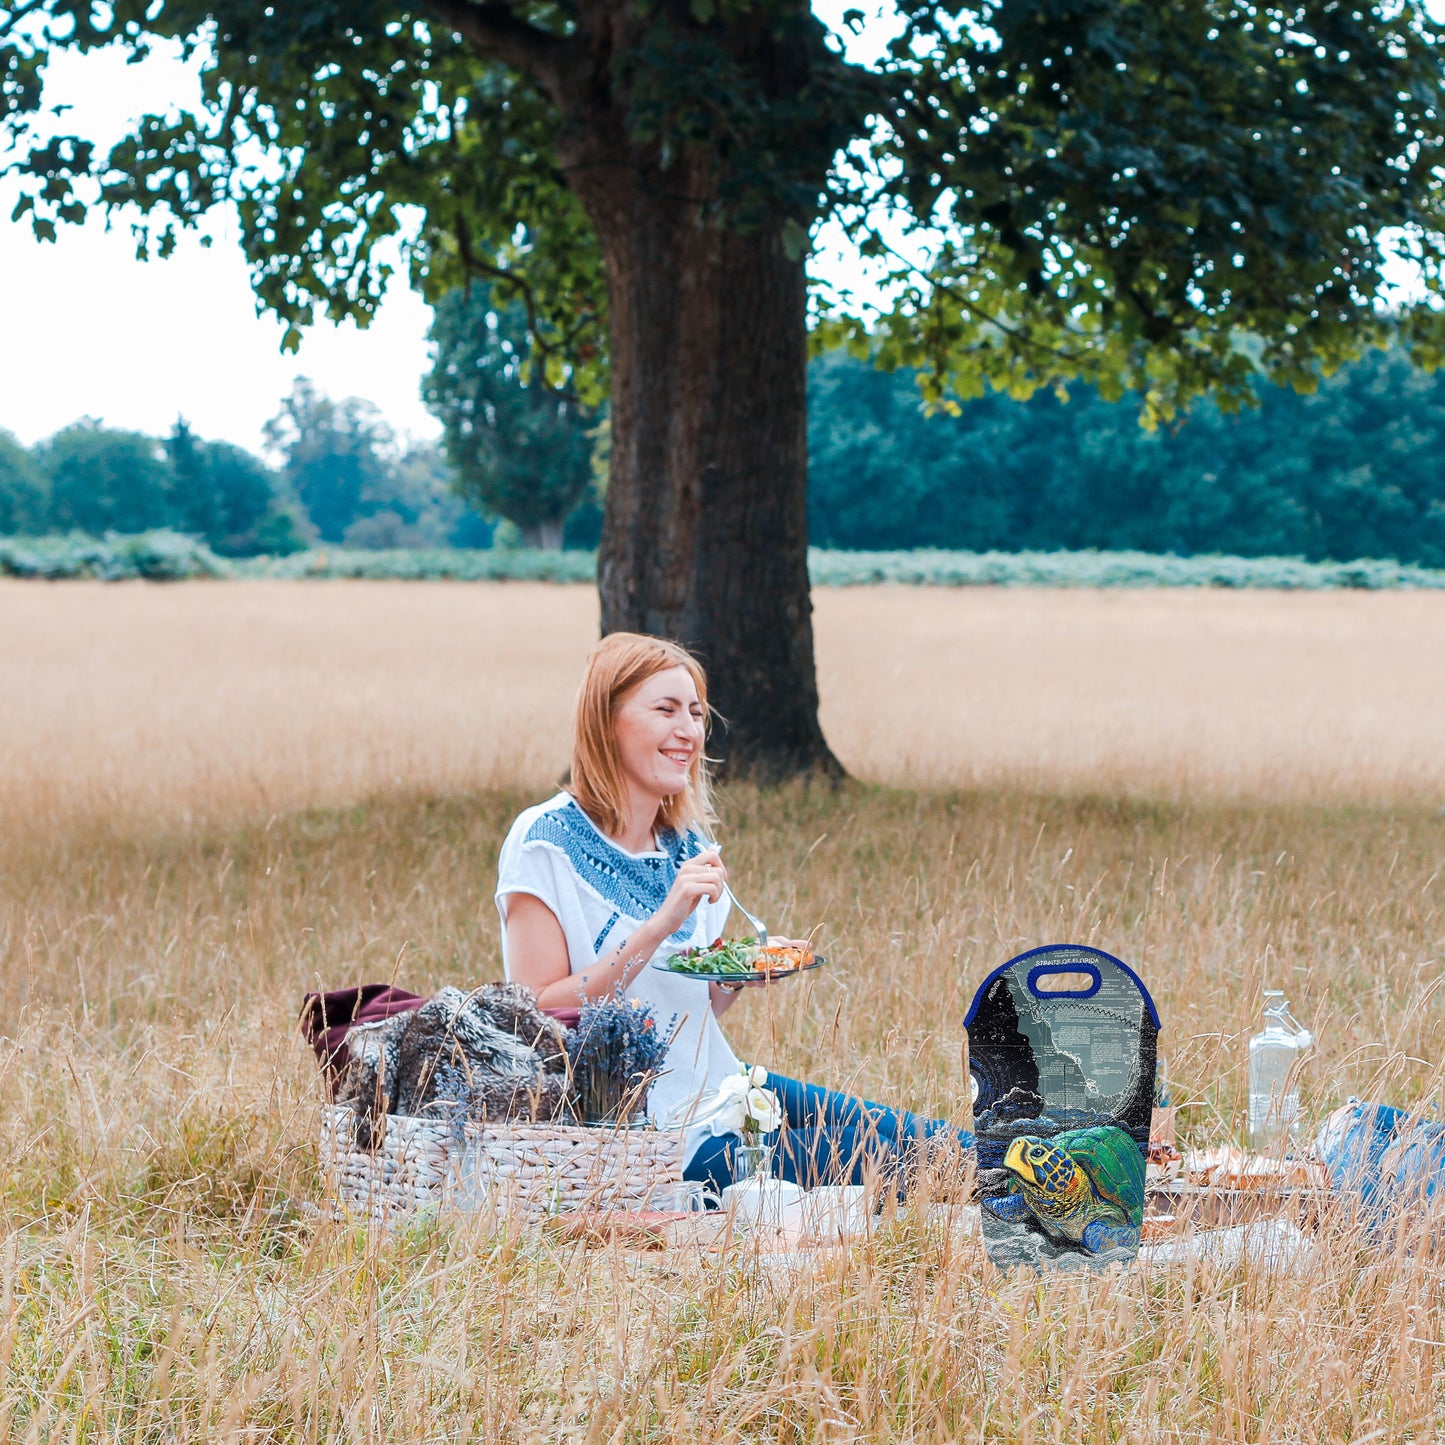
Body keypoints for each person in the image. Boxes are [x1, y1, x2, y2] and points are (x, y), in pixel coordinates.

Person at [497, 631, 972, 1192]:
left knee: (931, 1140)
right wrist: (661, 925)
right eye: (666, 710)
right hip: (645, 1132)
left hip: (721, 1086)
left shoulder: (687, 844)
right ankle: (1056, 1184)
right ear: (607, 720)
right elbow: (538, 1013)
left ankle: (1074, 1155)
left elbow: (684, 1015)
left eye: (696, 713)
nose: (689, 731)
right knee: (886, 1161)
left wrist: (735, 978)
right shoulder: (544, 840)